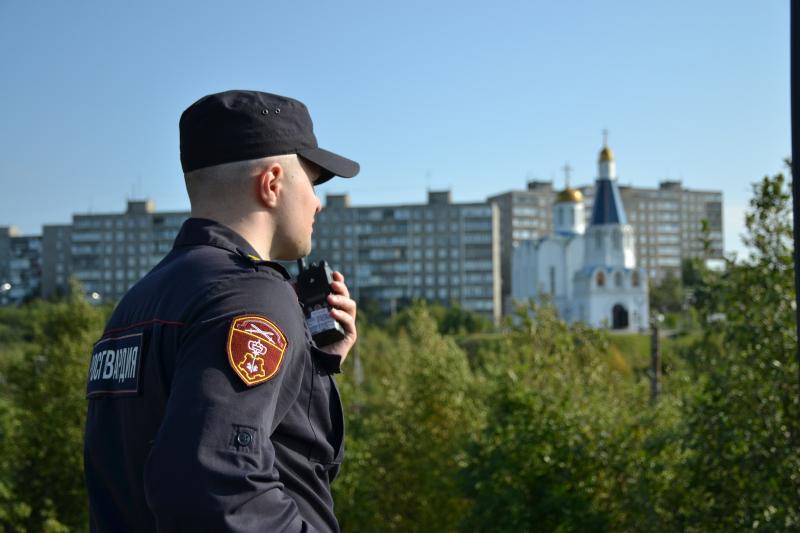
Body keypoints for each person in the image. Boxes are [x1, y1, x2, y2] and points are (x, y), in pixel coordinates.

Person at [83, 90, 360, 532]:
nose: (317, 202)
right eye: (311, 180)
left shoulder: (140, 299)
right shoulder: (252, 297)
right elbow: (217, 487)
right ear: (272, 183)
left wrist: (318, 363)